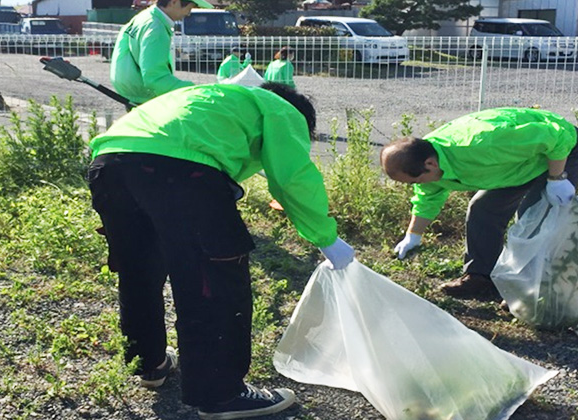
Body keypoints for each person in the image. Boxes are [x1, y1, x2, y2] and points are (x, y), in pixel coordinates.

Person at [87, 82, 355, 419]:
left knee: (139, 270)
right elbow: (292, 177)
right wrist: (326, 237)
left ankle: (149, 363)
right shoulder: (279, 109)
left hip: (108, 165)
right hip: (181, 173)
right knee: (213, 282)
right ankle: (222, 395)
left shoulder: (210, 97)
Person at [380, 107, 577, 300]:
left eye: (415, 181)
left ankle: (530, 293)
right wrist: (413, 235)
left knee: (534, 220)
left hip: (562, 152)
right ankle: (481, 278)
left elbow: (556, 136)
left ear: (430, 164)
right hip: (517, 167)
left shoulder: (482, 144)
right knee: (483, 209)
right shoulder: (428, 163)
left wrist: (557, 178)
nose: (416, 186)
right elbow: (427, 198)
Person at [109, 0, 213, 106]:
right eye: (189, 8)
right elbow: (155, 77)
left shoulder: (145, 17)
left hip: (131, 90)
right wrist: (193, 90)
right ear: (174, 2)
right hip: (146, 97)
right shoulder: (156, 28)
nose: (188, 13)